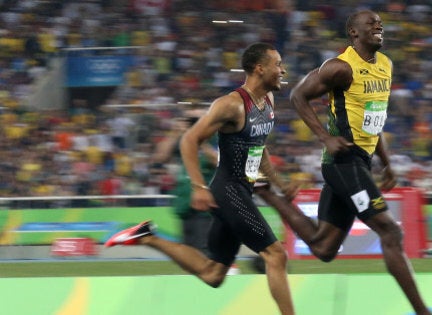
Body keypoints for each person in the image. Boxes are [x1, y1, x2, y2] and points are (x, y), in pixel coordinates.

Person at [256, 10, 432, 315]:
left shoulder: (386, 66)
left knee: (323, 248)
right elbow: (298, 96)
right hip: (343, 162)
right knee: (391, 233)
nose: (379, 26)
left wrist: (387, 164)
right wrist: (325, 137)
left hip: (359, 163)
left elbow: (374, 121)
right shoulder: (341, 67)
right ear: (354, 33)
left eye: (380, 23)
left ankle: (265, 191)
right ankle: (423, 312)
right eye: (371, 23)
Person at [105, 42, 295, 315]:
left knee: (213, 273)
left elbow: (259, 146)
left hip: (242, 190)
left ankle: (147, 237)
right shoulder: (231, 104)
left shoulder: (268, 102)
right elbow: (189, 139)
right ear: (259, 68)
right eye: (278, 64)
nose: (283, 70)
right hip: (228, 190)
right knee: (276, 255)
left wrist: (279, 182)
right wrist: (198, 186)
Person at [152, 109, 218, 256]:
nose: (192, 124)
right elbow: (160, 157)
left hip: (205, 205)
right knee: (188, 251)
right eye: (189, 121)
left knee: (204, 250)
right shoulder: (182, 140)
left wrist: (198, 139)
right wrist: (175, 132)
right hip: (184, 202)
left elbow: (217, 161)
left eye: (195, 120)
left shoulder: (214, 138)